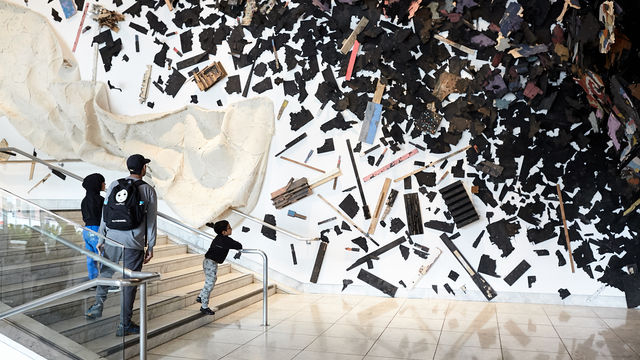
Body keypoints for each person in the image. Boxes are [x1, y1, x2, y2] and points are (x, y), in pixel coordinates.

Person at [85, 154, 157, 337]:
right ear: (143, 168)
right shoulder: (148, 190)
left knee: (106, 273)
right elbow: (151, 221)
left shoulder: (114, 185)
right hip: (133, 242)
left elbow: (105, 214)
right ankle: (124, 324)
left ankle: (97, 305)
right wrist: (151, 246)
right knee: (129, 283)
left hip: (111, 239)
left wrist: (101, 239)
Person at [197, 220, 242, 315]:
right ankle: (204, 306)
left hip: (208, 262)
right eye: (229, 228)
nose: (231, 229)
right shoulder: (226, 240)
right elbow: (238, 245)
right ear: (224, 232)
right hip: (210, 263)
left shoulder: (219, 237)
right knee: (210, 283)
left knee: (211, 281)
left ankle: (201, 296)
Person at [81, 173, 105, 280]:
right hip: (96, 229)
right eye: (102, 182)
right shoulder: (100, 200)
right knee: (103, 256)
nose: (104, 184)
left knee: (90, 257)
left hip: (86, 230)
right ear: (97, 185)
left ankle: (93, 279)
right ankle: (106, 281)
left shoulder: (84, 200)